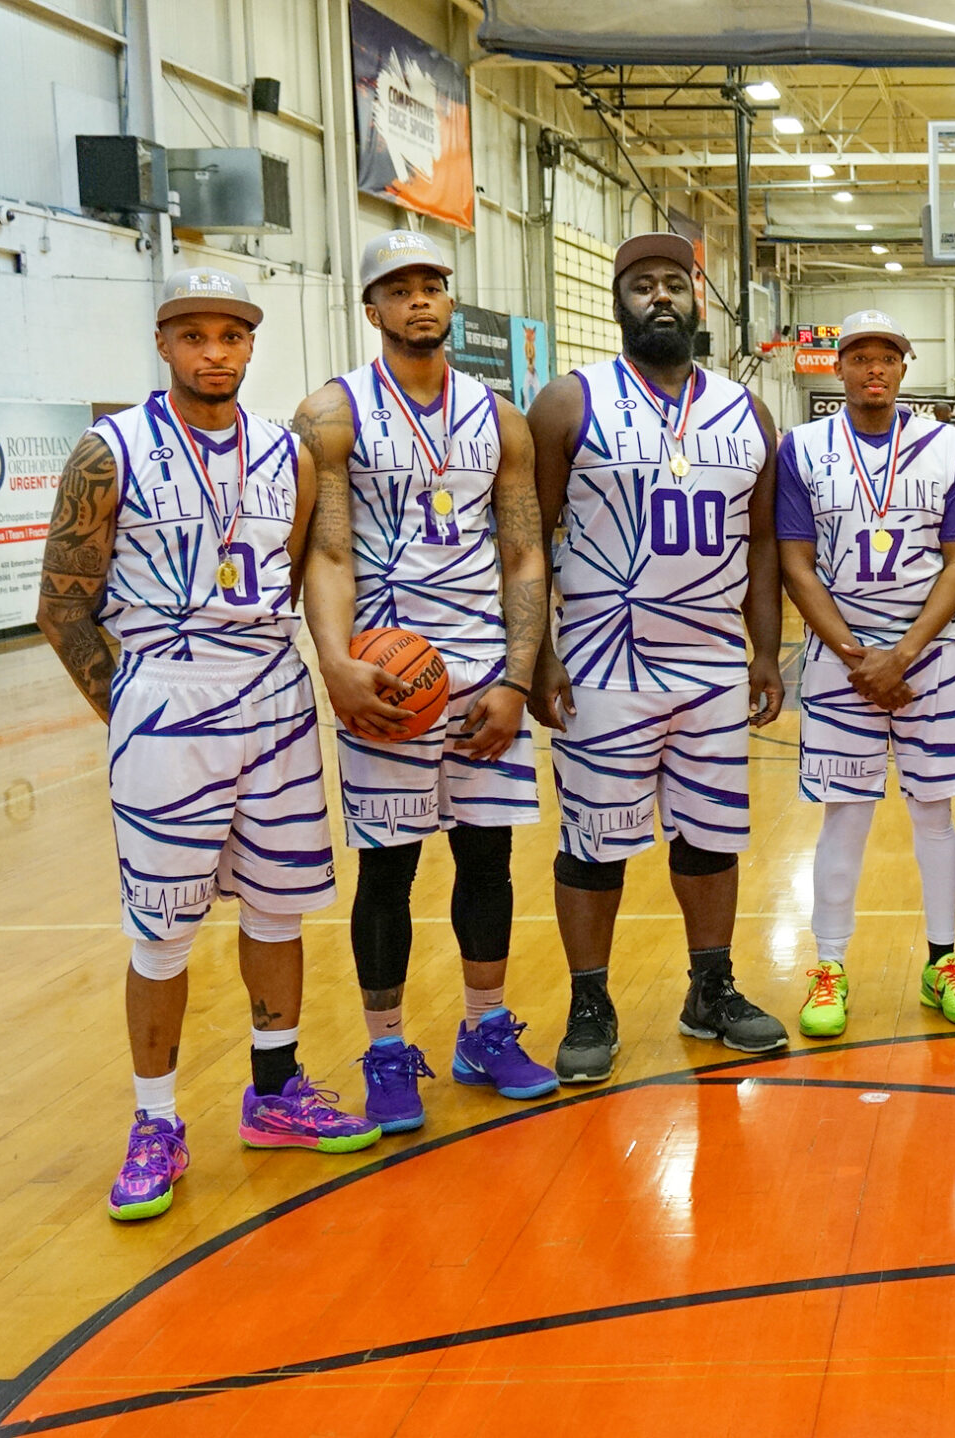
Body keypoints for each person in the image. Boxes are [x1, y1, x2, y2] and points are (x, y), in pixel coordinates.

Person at [39, 270, 378, 1222]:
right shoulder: (108, 453)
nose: (214, 351)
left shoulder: (289, 454)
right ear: (164, 343)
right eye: (194, 335)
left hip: (272, 695)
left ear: (251, 346)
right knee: (163, 930)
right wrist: (140, 708)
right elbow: (62, 604)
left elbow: (297, 563)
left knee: (279, 911)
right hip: (165, 697)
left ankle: (275, 1096)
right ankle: (156, 1123)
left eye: (231, 335)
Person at [295, 232, 555, 1131]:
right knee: (389, 871)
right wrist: (338, 666)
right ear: (370, 307)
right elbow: (324, 553)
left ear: (449, 301)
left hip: (482, 670)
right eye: (398, 289)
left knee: (488, 858)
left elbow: (524, 552)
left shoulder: (501, 418)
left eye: (432, 286)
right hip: (386, 680)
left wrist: (517, 678)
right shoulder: (333, 414)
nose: (419, 302)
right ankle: (385, 1049)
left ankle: (484, 1029)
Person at [527, 233, 790, 1082]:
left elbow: (760, 547)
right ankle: (589, 1001)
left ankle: (710, 989)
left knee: (712, 839)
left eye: (675, 283)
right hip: (605, 655)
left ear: (697, 301)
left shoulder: (746, 411)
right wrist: (535, 656)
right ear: (618, 303)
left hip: (712, 660)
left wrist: (766, 651)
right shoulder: (570, 401)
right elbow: (526, 538)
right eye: (643, 285)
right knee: (594, 844)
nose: (661, 298)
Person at [776, 310, 955, 1036]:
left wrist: (902, 653)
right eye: (859, 356)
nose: (874, 368)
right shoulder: (802, 447)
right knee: (846, 812)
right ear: (837, 368)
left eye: (887, 357)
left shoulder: (943, 447)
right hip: (840, 656)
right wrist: (855, 654)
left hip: (929, 653)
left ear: (905, 367)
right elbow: (796, 562)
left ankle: (942, 962)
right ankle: (829, 966)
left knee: (936, 812)